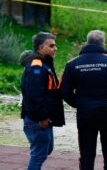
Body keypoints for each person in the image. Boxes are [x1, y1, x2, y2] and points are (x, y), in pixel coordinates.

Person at [60, 30, 107, 170]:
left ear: (86, 43)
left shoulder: (72, 64)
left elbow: (64, 91)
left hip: (85, 113)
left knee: (86, 154)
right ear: (103, 43)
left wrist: (79, 103)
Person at [20, 32, 65, 170]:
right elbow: (35, 95)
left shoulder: (44, 64)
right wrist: (43, 117)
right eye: (51, 46)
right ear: (41, 48)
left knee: (45, 150)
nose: (55, 48)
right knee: (39, 155)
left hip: (43, 118)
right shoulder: (37, 67)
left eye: (55, 45)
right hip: (37, 120)